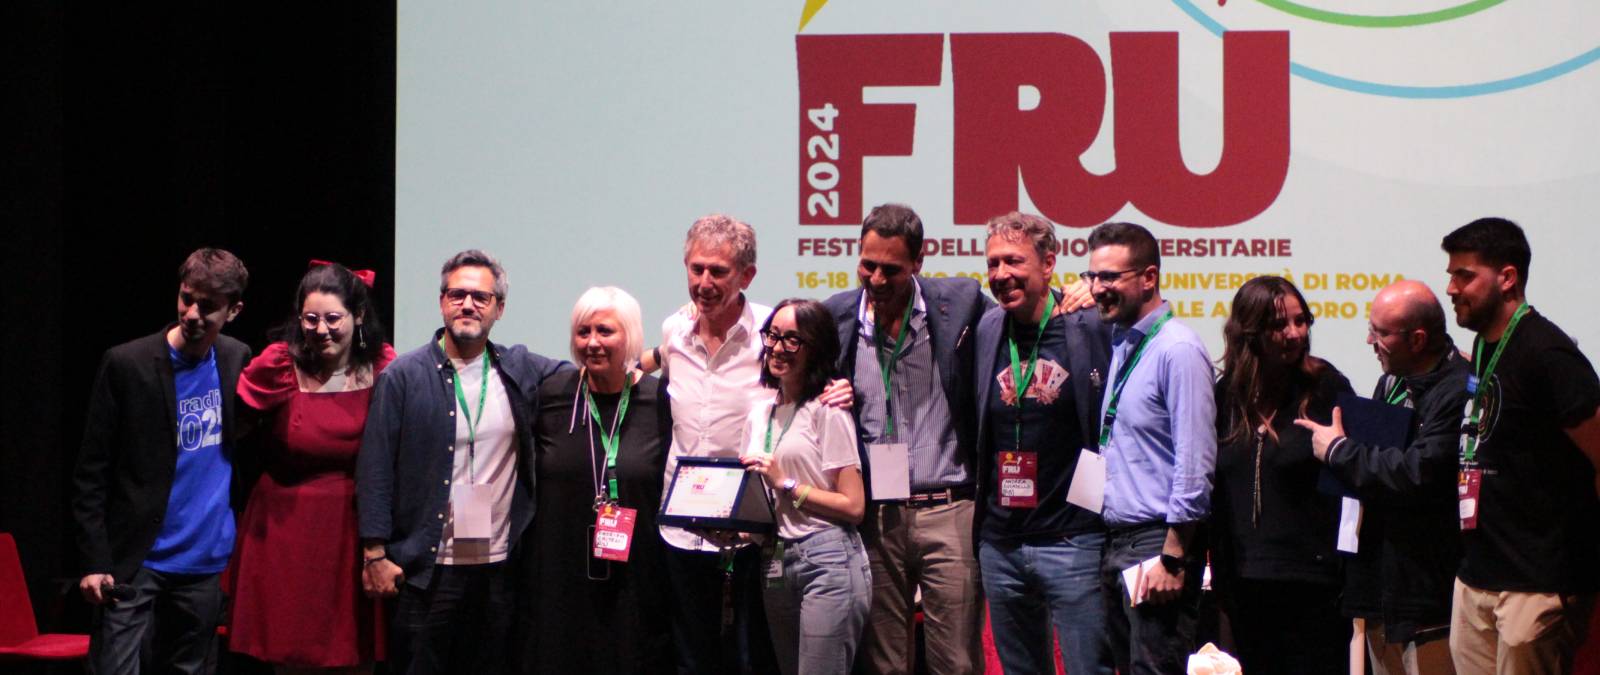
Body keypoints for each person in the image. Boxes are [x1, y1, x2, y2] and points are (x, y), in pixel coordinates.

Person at [650, 214, 850, 675]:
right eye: (696, 268)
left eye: (718, 271)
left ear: (747, 275)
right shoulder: (674, 331)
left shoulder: (772, 335)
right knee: (691, 661)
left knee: (752, 659)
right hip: (682, 527)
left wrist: (843, 388)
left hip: (752, 531)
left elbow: (816, 378)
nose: (704, 282)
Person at [356, 249, 568, 674]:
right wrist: (374, 554)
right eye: (457, 295)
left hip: (498, 570)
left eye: (480, 297)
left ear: (499, 309)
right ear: (442, 302)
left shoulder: (518, 369)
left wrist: (648, 361)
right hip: (425, 572)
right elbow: (375, 469)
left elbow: (585, 369)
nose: (468, 305)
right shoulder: (403, 376)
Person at [819, 203, 989, 675]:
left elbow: (1024, 317)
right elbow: (786, 373)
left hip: (949, 509)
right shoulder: (836, 316)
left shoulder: (961, 303)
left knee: (956, 662)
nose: (875, 279)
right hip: (876, 516)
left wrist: (1069, 295)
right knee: (884, 664)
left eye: (890, 269)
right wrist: (828, 393)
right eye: (867, 264)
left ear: (918, 261)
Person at [73, 248, 252, 674]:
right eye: (186, 298)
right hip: (136, 559)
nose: (192, 314)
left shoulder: (236, 358)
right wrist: (95, 561)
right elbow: (91, 473)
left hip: (205, 559)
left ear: (233, 311)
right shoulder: (127, 364)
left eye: (208, 306)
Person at [1435, 218, 1600, 674]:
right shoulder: (1483, 347)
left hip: (1537, 582)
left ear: (1507, 278)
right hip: (1477, 576)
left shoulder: (1549, 354)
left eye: (1464, 275)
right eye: (1450, 274)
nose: (1451, 288)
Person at [229, 261, 395, 672]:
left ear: (358, 316)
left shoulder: (381, 366)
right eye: (310, 319)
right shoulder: (279, 365)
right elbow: (233, 430)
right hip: (285, 530)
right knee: (290, 654)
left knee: (353, 653)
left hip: (351, 530)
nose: (321, 330)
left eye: (333, 319)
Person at [1295, 280, 1468, 675]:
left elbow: (1416, 473)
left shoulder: (1459, 389)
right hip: (1380, 588)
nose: (1369, 341)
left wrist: (1338, 451)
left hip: (1426, 599)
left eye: (1380, 332)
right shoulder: (1391, 381)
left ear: (1418, 339)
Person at [972, 212, 1112, 675]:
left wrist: (1094, 287)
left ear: (1049, 264)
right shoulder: (987, 329)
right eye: (993, 263)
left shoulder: (1088, 324)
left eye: (1014, 261)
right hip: (1001, 544)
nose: (1001, 274)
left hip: (1072, 538)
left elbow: (1145, 311)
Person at [516, 286, 674, 673]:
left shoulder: (660, 401)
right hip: (560, 574)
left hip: (639, 574)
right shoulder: (550, 396)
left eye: (605, 331)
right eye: (583, 332)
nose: (592, 342)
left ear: (630, 336)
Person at [1085, 222, 1215, 675]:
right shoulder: (1123, 343)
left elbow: (1195, 460)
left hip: (1157, 543)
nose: (1097, 289)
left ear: (1149, 277)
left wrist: (1173, 555)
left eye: (1109, 277)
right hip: (1117, 540)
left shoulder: (1177, 350)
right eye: (1092, 276)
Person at [1210, 276, 1353, 674]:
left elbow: (1356, 474)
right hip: (1243, 581)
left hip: (1313, 581)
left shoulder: (1326, 387)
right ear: (1249, 331)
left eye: (1301, 320)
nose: (1294, 333)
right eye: (1279, 325)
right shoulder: (1226, 396)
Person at [740, 298, 870, 675]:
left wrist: (787, 484)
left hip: (827, 557)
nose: (778, 347)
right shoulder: (758, 415)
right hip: (775, 557)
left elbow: (854, 506)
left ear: (815, 348)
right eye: (773, 335)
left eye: (792, 339)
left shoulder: (827, 409)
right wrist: (734, 529)